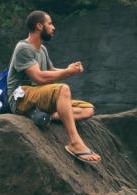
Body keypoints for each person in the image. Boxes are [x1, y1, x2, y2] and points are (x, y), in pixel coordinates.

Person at [7, 10, 101, 164]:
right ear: (39, 26)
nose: (53, 27)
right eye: (50, 23)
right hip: (21, 97)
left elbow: (50, 70)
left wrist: (69, 70)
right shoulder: (23, 48)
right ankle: (75, 143)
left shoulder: (42, 49)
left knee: (88, 109)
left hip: (38, 96)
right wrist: (67, 73)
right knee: (62, 89)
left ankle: (42, 115)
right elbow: (38, 77)